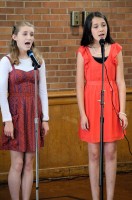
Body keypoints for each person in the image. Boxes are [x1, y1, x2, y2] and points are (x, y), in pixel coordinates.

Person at [76, 12, 128, 200]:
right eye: (96, 26)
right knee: (94, 153)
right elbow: (79, 85)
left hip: (112, 104)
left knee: (111, 151)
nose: (101, 29)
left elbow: (121, 82)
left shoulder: (115, 49)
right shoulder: (83, 51)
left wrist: (122, 111)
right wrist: (83, 114)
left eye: (103, 25)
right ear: (90, 29)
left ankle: (110, 197)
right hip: (91, 105)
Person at [0, 21, 49, 200]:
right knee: (18, 163)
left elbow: (43, 90)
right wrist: (7, 120)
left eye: (32, 34)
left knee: (29, 163)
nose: (29, 37)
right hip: (16, 114)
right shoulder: (6, 61)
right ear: (15, 37)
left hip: (34, 114)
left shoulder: (38, 61)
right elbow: (1, 93)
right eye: (25, 34)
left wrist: (46, 119)